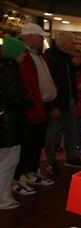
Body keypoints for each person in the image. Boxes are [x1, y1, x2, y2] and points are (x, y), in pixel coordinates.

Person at [12, 23, 56, 195]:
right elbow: (27, 85)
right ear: (30, 36)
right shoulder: (24, 56)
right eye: (40, 36)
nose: (42, 39)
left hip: (40, 106)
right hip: (31, 109)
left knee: (36, 144)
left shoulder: (36, 55)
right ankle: (19, 177)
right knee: (27, 145)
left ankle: (30, 172)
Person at [44, 31, 81, 175]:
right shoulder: (52, 58)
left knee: (70, 131)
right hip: (58, 103)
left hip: (68, 102)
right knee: (54, 133)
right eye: (72, 42)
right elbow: (50, 83)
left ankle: (71, 157)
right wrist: (53, 105)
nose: (73, 45)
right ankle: (51, 161)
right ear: (64, 43)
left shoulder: (66, 59)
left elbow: (69, 81)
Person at [0, 37, 32, 209]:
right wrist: (29, 100)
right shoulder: (10, 71)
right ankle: (3, 198)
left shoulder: (5, 68)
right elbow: (16, 97)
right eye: (21, 52)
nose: (23, 55)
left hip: (5, 123)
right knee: (8, 163)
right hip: (9, 124)